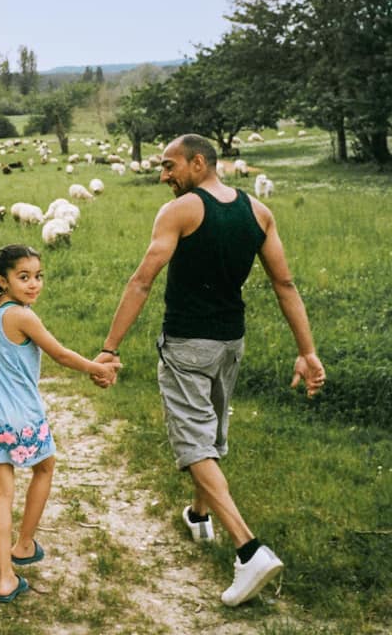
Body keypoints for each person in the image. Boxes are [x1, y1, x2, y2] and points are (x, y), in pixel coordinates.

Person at [94, 133, 325, 607]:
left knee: (194, 441)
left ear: (198, 163)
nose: (163, 176)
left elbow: (142, 280)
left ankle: (248, 549)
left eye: (170, 165)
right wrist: (307, 351)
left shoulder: (180, 211)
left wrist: (110, 348)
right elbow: (285, 283)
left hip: (186, 343)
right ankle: (200, 517)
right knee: (211, 430)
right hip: (230, 344)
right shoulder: (258, 213)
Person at [0, 244, 120, 603]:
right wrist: (97, 368)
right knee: (45, 467)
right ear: (2, 281)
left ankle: (5, 578)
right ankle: (24, 544)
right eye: (23, 277)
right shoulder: (23, 316)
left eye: (38, 276)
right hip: (18, 416)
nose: (33, 284)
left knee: (1, 494)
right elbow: (59, 353)